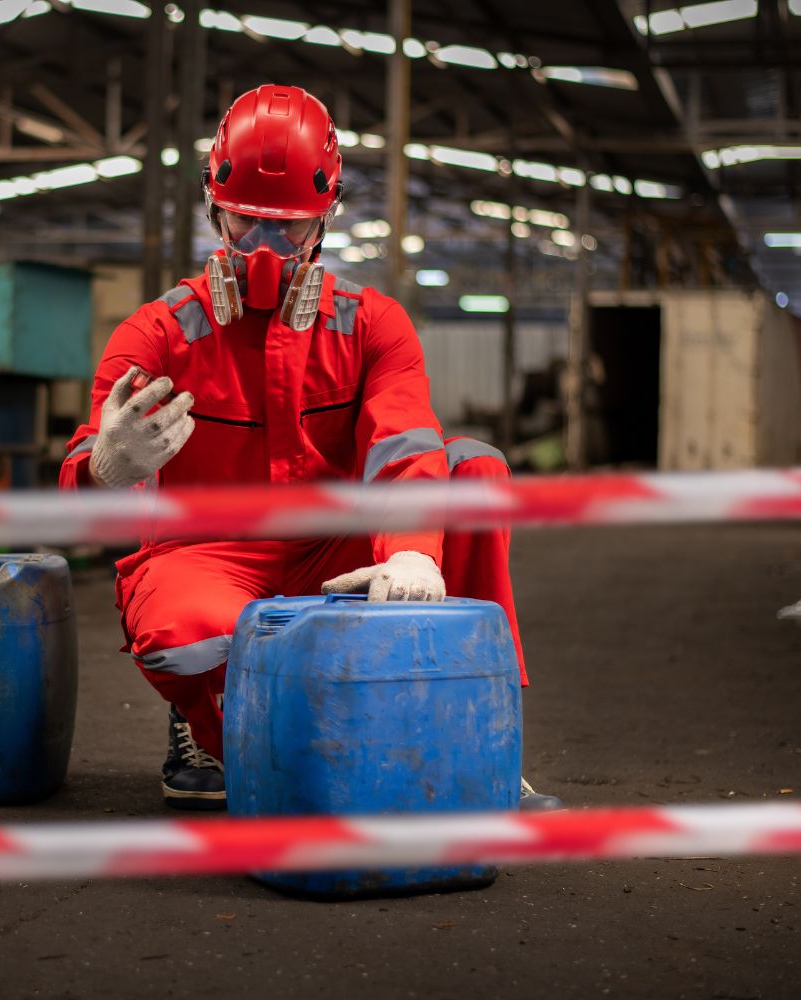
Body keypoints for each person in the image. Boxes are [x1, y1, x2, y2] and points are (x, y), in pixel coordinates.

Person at [61, 84, 558, 812]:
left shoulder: (372, 325)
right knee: (181, 635)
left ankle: (479, 734)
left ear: (325, 220)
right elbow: (76, 484)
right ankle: (229, 730)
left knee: (473, 468)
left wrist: (413, 548)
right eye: (246, 226)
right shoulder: (156, 335)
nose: (264, 254)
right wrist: (103, 471)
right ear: (213, 210)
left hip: (339, 546)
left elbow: (404, 443)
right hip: (209, 552)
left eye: (287, 231)